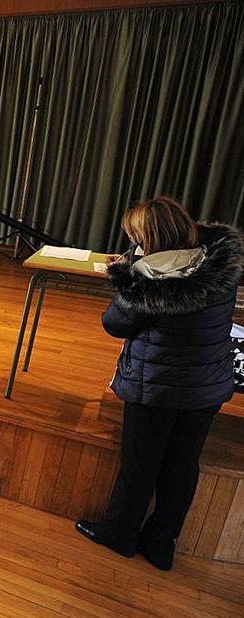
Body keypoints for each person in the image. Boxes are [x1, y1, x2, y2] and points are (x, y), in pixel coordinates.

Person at [76, 197, 243, 571]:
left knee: (140, 464)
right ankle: (161, 544)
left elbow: (115, 324)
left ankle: (119, 534)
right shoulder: (219, 264)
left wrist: (123, 275)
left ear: (149, 239)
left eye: (136, 236)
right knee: (183, 465)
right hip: (207, 385)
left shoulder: (148, 282)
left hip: (156, 388)